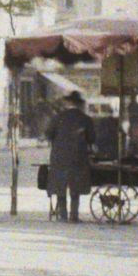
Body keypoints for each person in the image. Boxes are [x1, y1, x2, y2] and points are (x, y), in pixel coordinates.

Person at [45, 91, 96, 222]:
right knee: (76, 186)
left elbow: (48, 134)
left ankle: (63, 215)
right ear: (79, 104)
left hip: (59, 157)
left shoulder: (58, 117)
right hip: (78, 157)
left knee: (60, 185)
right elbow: (92, 138)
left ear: (68, 102)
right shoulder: (85, 119)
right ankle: (74, 216)